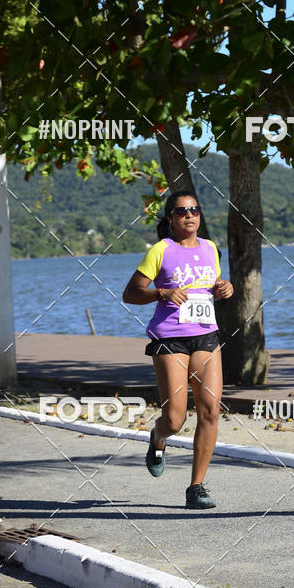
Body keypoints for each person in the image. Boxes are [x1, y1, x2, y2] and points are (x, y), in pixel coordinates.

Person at [122, 191, 234, 510]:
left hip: (205, 334)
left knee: (211, 408)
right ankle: (158, 438)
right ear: (170, 218)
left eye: (194, 210)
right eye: (181, 211)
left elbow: (212, 285)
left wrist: (226, 287)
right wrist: (162, 292)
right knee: (175, 419)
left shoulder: (211, 248)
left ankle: (196, 487)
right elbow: (131, 293)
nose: (189, 215)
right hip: (169, 337)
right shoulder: (161, 250)